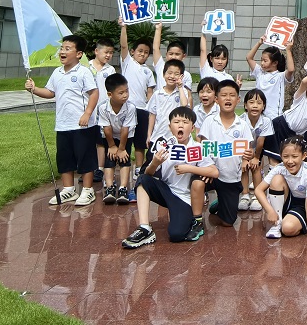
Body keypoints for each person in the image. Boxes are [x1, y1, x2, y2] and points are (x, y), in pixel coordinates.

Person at [121, 106, 218, 247]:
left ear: (192, 128)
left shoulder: (197, 147)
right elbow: (148, 175)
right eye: (176, 121)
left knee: (177, 235)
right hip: (166, 190)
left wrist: (189, 168)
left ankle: (192, 219)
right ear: (169, 126)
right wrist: (154, 163)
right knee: (142, 179)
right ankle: (144, 228)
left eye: (185, 122)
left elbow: (214, 172)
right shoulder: (164, 146)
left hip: (184, 198)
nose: (180, 125)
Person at [25, 35, 99, 207]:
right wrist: (34, 89)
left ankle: (88, 190)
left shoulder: (83, 72)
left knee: (85, 157)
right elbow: (51, 93)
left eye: (67, 48)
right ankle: (68, 189)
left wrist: (87, 113)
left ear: (79, 54)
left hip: (83, 124)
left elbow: (94, 93)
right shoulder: (57, 72)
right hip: (63, 124)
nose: (62, 52)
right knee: (65, 157)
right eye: (62, 48)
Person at [255, 136, 307, 239]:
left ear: (303, 156)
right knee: (276, 179)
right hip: (288, 200)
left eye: (294, 156)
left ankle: (291, 222)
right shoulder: (279, 168)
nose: (290, 161)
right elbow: (258, 190)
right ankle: (276, 224)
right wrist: (270, 210)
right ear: (281, 156)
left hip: (304, 205)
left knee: (287, 229)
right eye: (285, 156)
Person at [198, 79, 250, 227]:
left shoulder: (242, 125)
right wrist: (208, 168)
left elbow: (248, 150)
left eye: (232, 95)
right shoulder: (209, 121)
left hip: (231, 176)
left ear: (238, 100)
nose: (228, 98)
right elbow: (203, 147)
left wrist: (248, 157)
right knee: (196, 182)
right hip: (210, 172)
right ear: (216, 99)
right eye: (224, 95)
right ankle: (195, 216)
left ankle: (221, 203)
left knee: (228, 222)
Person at [262, 64, 307, 162]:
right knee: (275, 159)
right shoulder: (301, 98)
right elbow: (304, 81)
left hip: (294, 134)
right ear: (306, 91)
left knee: (291, 160)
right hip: (281, 125)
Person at [119, 20, 156, 175]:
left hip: (142, 109)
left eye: (146, 52)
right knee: (124, 139)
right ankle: (123, 167)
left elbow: (150, 92)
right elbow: (123, 46)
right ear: (133, 51)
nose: (142, 54)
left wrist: (151, 107)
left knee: (140, 143)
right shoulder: (127, 63)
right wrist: (123, 27)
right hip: (126, 108)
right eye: (140, 51)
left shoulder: (148, 71)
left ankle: (139, 168)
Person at [97, 73, 137, 205]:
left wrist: (121, 148)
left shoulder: (130, 107)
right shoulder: (103, 107)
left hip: (126, 136)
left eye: (127, 91)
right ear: (110, 94)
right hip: (109, 137)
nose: (125, 95)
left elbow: (125, 129)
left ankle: (123, 188)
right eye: (121, 93)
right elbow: (106, 128)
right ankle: (109, 188)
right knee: (110, 159)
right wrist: (112, 146)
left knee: (124, 159)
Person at [145, 60, 193, 154]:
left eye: (176, 74)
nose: (172, 76)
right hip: (158, 136)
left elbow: (184, 105)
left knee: (173, 165)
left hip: (176, 138)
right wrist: (149, 135)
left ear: (181, 76)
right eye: (169, 73)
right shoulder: (157, 94)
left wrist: (180, 87)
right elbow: (152, 115)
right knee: (153, 164)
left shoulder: (182, 92)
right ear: (163, 74)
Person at [238, 88, 272, 211]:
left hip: (257, 149)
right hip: (242, 149)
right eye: (251, 102)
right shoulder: (240, 120)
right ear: (245, 105)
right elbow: (241, 141)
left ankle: (258, 196)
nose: (255, 106)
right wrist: (245, 159)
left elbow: (261, 141)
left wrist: (256, 157)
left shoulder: (266, 121)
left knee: (256, 166)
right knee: (244, 168)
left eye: (259, 103)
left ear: (263, 106)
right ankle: (245, 195)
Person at [88, 38, 116, 183]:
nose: (108, 55)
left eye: (111, 53)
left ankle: (99, 169)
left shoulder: (110, 70)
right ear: (96, 51)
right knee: (88, 140)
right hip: (88, 110)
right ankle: (87, 169)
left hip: (104, 111)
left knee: (100, 141)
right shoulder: (86, 67)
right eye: (106, 52)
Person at [246, 37, 295, 120]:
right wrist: (259, 43)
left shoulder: (280, 76)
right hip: (258, 115)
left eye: (265, 61)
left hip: (274, 117)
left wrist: (288, 50)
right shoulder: (259, 72)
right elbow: (249, 58)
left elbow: (291, 69)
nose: (262, 63)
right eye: (261, 60)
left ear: (275, 63)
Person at [151, 23, 192, 90]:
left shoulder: (186, 75)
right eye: (171, 54)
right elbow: (155, 48)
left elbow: (188, 95)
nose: (173, 57)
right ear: (166, 55)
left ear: (184, 56)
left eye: (177, 54)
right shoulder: (160, 67)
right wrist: (158, 28)